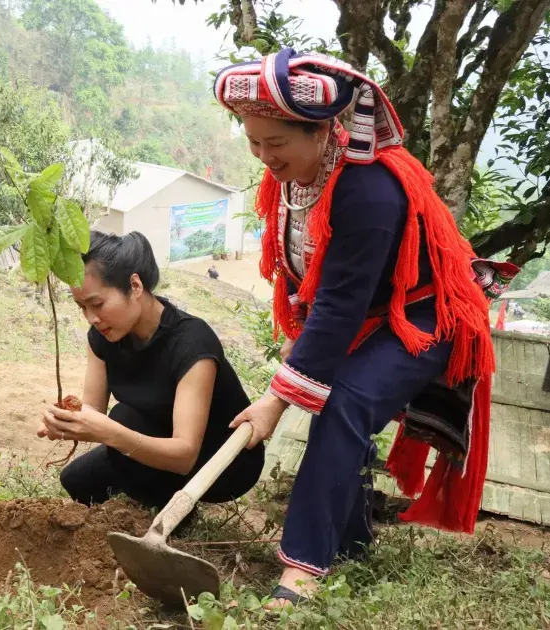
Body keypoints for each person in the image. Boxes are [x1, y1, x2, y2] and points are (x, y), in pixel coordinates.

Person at [212, 48, 518, 608]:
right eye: (253, 141)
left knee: (343, 401)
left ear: (323, 131)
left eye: (275, 143)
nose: (263, 157)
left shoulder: (370, 189)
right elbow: (315, 280)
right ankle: (349, 541)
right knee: (335, 398)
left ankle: (303, 567)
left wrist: (274, 403)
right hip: (373, 309)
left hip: (431, 311)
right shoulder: (295, 174)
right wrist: (297, 347)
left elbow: (340, 306)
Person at [39, 231, 265, 515]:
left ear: (135, 285)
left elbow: (184, 455)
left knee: (123, 419)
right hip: (153, 435)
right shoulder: (103, 337)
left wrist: (110, 432)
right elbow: (93, 411)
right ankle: (151, 488)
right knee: (76, 481)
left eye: (97, 304)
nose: (91, 318)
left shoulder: (191, 342)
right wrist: (65, 421)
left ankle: (175, 515)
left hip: (219, 463)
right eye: (82, 307)